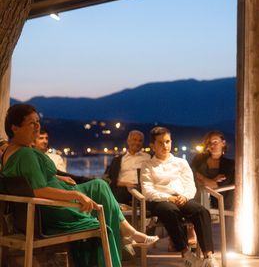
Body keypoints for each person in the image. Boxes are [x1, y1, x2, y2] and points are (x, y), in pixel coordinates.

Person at [0, 104, 157, 267]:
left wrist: (58, 177)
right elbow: (38, 190)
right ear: (15, 128)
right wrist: (76, 195)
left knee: (99, 185)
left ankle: (128, 233)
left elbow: (30, 179)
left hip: (48, 205)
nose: (38, 126)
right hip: (54, 210)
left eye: (38, 121)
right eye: (32, 123)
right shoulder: (25, 154)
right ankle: (124, 237)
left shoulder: (11, 152)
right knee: (102, 206)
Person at [140, 126, 218, 267]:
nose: (165, 145)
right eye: (161, 143)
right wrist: (167, 198)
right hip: (160, 200)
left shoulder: (181, 163)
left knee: (201, 211)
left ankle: (209, 257)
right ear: (152, 146)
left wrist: (185, 196)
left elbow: (190, 185)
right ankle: (186, 253)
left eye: (167, 141)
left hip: (181, 197)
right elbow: (147, 191)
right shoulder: (147, 165)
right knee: (170, 210)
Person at [191, 130, 235, 209]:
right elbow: (190, 176)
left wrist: (200, 178)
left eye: (215, 142)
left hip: (218, 204)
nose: (212, 145)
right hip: (196, 198)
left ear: (223, 143)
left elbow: (216, 186)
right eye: (209, 143)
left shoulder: (229, 164)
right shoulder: (198, 159)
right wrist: (212, 180)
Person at [104, 130, 150, 204]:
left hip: (141, 188)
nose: (137, 143)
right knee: (119, 194)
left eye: (140, 141)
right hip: (122, 188)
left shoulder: (148, 158)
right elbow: (111, 179)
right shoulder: (118, 159)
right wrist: (126, 184)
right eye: (134, 140)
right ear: (128, 141)